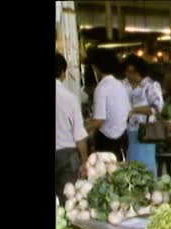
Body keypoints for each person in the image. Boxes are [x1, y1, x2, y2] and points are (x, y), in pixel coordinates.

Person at [122, 55, 164, 175]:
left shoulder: (150, 85)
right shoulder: (124, 85)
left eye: (132, 72)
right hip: (127, 131)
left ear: (140, 71)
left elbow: (157, 107)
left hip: (145, 132)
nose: (129, 75)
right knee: (130, 164)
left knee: (145, 164)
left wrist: (134, 110)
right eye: (127, 71)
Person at [85, 48, 131, 160]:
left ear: (96, 67)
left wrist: (82, 130)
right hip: (123, 138)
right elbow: (128, 112)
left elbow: (99, 121)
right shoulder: (120, 85)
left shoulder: (101, 88)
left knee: (105, 174)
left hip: (107, 142)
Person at [56, 52, 88, 205]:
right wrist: (84, 162)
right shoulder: (70, 98)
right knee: (68, 202)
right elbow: (79, 136)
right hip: (67, 157)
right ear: (63, 73)